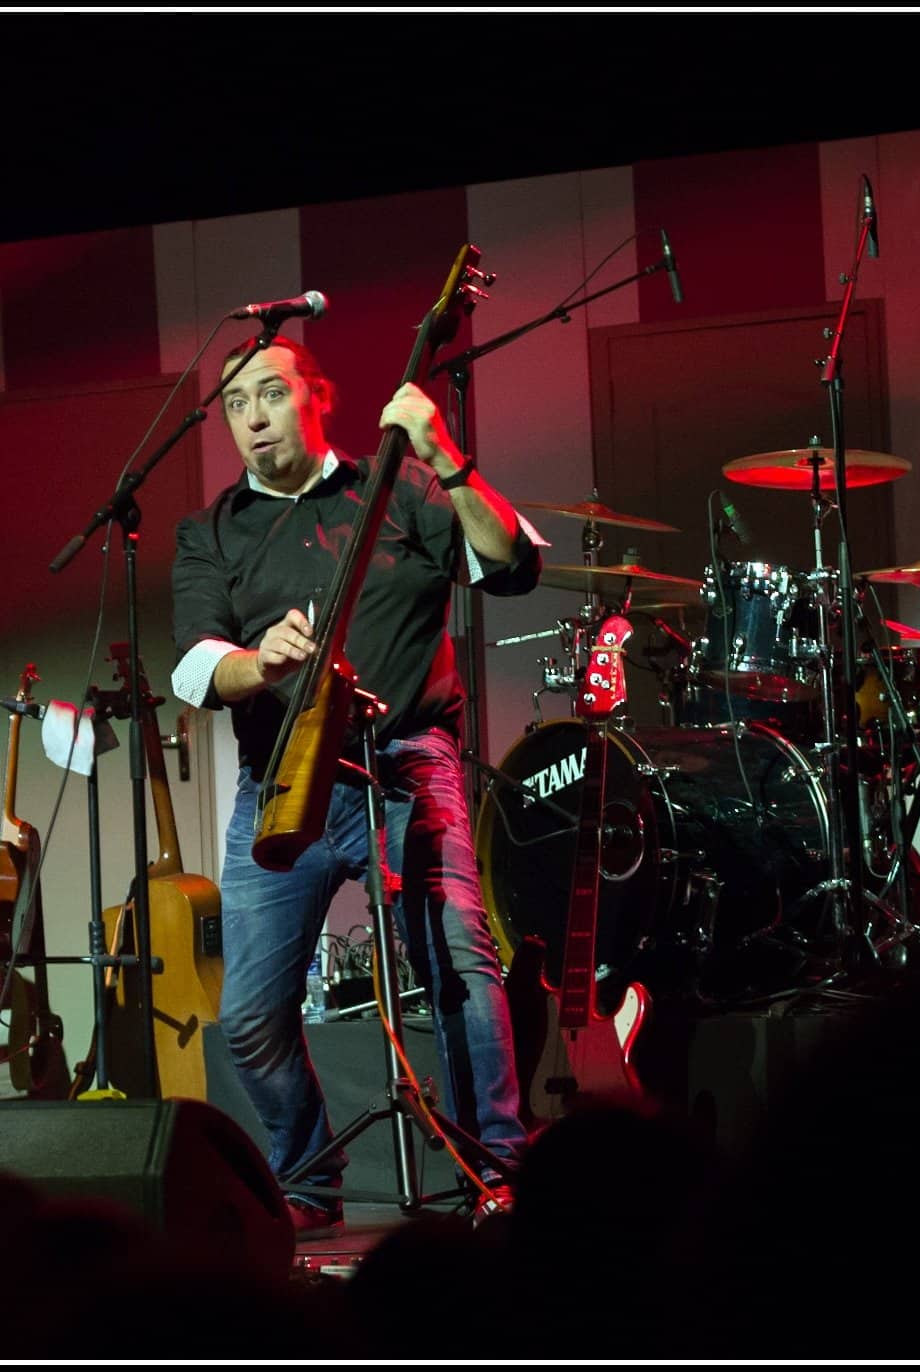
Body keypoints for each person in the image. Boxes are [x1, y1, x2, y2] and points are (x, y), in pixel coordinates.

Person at [170, 334, 541, 1235]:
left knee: (458, 963)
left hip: (406, 762)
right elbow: (194, 668)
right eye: (235, 405)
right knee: (249, 1016)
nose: (253, 418)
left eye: (271, 393)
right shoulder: (211, 530)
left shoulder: (400, 488)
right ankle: (307, 1179)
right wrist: (259, 663)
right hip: (284, 780)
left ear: (318, 396)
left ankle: (494, 1173)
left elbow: (511, 564)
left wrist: (441, 453)